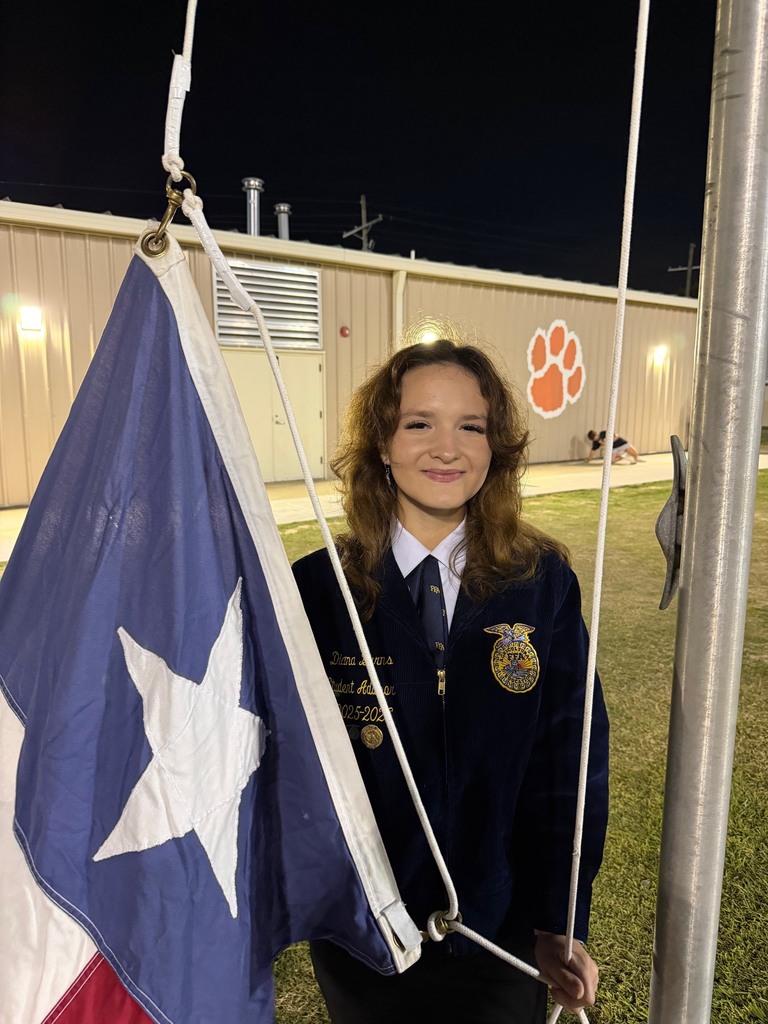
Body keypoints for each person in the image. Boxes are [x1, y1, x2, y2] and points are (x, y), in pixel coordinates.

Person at [292, 335, 609, 1024]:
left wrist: (559, 916)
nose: (447, 449)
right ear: (382, 444)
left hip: (503, 934)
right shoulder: (318, 590)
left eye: (471, 426)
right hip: (365, 936)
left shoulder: (541, 584)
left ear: (497, 447)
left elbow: (571, 763)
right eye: (419, 423)